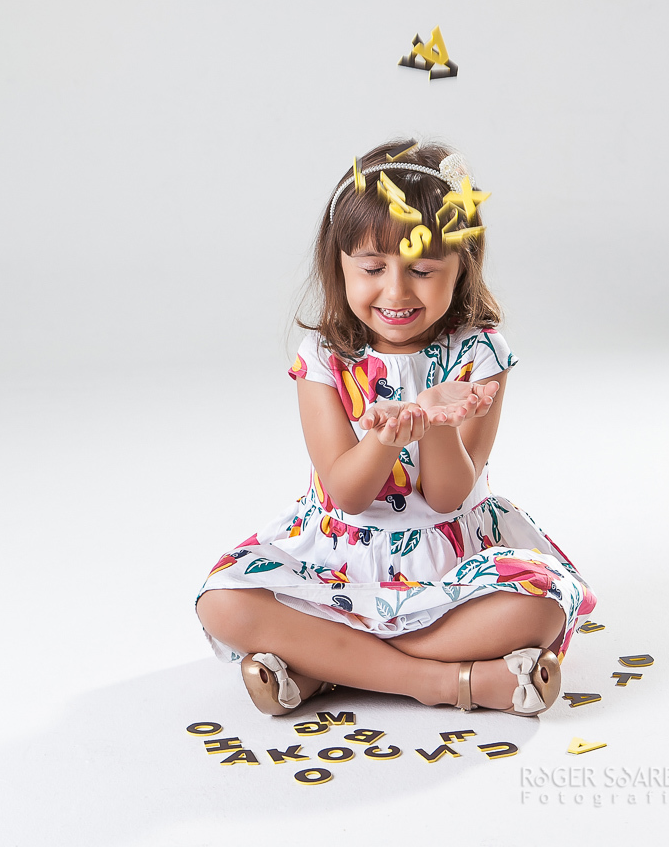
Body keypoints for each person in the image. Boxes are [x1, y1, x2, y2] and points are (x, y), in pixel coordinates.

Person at [196, 139, 596, 718]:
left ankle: (323, 666)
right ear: (340, 263)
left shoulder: (481, 354)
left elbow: (448, 494)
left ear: (462, 267)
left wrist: (434, 420)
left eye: (424, 269)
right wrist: (383, 440)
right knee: (223, 605)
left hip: (450, 559)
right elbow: (348, 495)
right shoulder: (324, 358)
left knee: (538, 611)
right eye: (373, 267)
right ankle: (443, 682)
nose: (396, 291)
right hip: (340, 556)